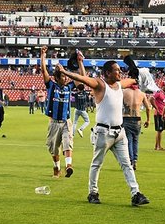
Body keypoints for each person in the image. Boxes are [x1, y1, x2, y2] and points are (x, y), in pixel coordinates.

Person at [57, 60, 149, 207]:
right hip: (103, 132)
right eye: (116, 70)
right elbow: (82, 79)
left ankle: (136, 193)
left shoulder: (119, 85)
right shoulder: (100, 85)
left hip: (119, 133)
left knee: (127, 164)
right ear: (107, 73)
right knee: (97, 164)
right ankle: (92, 192)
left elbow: (132, 79)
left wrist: (135, 73)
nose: (119, 72)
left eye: (119, 70)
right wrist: (65, 72)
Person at [40, 46, 80, 178]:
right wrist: (43, 55)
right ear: (57, 78)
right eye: (63, 76)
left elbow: (80, 78)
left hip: (66, 121)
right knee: (54, 148)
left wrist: (79, 62)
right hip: (53, 123)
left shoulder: (69, 86)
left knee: (68, 143)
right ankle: (56, 167)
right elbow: (43, 70)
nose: (66, 79)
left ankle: (69, 165)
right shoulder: (51, 85)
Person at [123, 84, 151, 171]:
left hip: (126, 118)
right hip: (137, 119)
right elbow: (148, 108)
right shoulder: (141, 93)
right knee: (136, 141)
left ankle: (131, 160)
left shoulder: (124, 92)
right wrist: (148, 120)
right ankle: (135, 159)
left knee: (129, 141)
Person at [151, 86, 165, 151]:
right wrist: (156, 108)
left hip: (163, 114)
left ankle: (159, 146)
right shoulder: (158, 93)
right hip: (158, 114)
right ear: (162, 86)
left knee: (160, 131)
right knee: (159, 130)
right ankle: (156, 146)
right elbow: (151, 99)